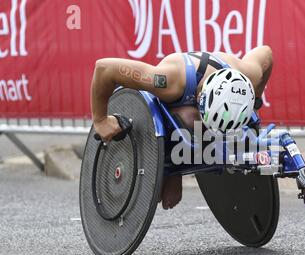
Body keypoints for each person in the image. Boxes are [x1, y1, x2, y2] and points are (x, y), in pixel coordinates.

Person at [90, 46, 273, 210]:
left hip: (215, 85)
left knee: (238, 132)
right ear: (200, 98)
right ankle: (169, 168)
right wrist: (100, 120)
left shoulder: (249, 74)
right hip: (178, 95)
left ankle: (177, 167)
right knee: (189, 119)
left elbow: (266, 53)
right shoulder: (167, 81)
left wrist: (256, 98)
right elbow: (104, 68)